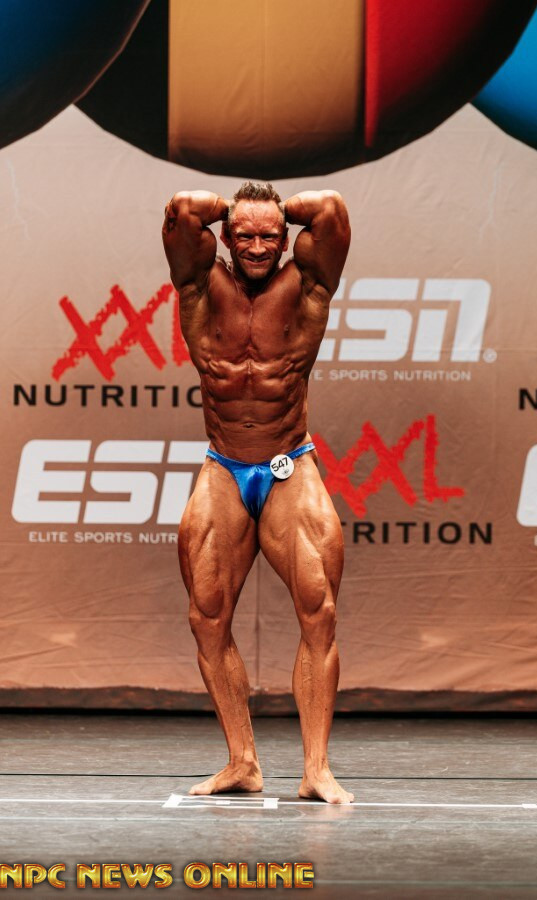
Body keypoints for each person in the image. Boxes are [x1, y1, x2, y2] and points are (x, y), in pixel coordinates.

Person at [162, 181, 352, 804]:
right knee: (206, 617)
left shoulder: (309, 285)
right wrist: (238, 210)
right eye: (243, 235)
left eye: (270, 235)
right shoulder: (199, 285)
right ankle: (242, 761)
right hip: (223, 467)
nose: (257, 246)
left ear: (286, 237)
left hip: (288, 464)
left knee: (319, 614)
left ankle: (316, 770)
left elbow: (332, 210)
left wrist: (270, 209)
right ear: (223, 235)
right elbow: (181, 210)